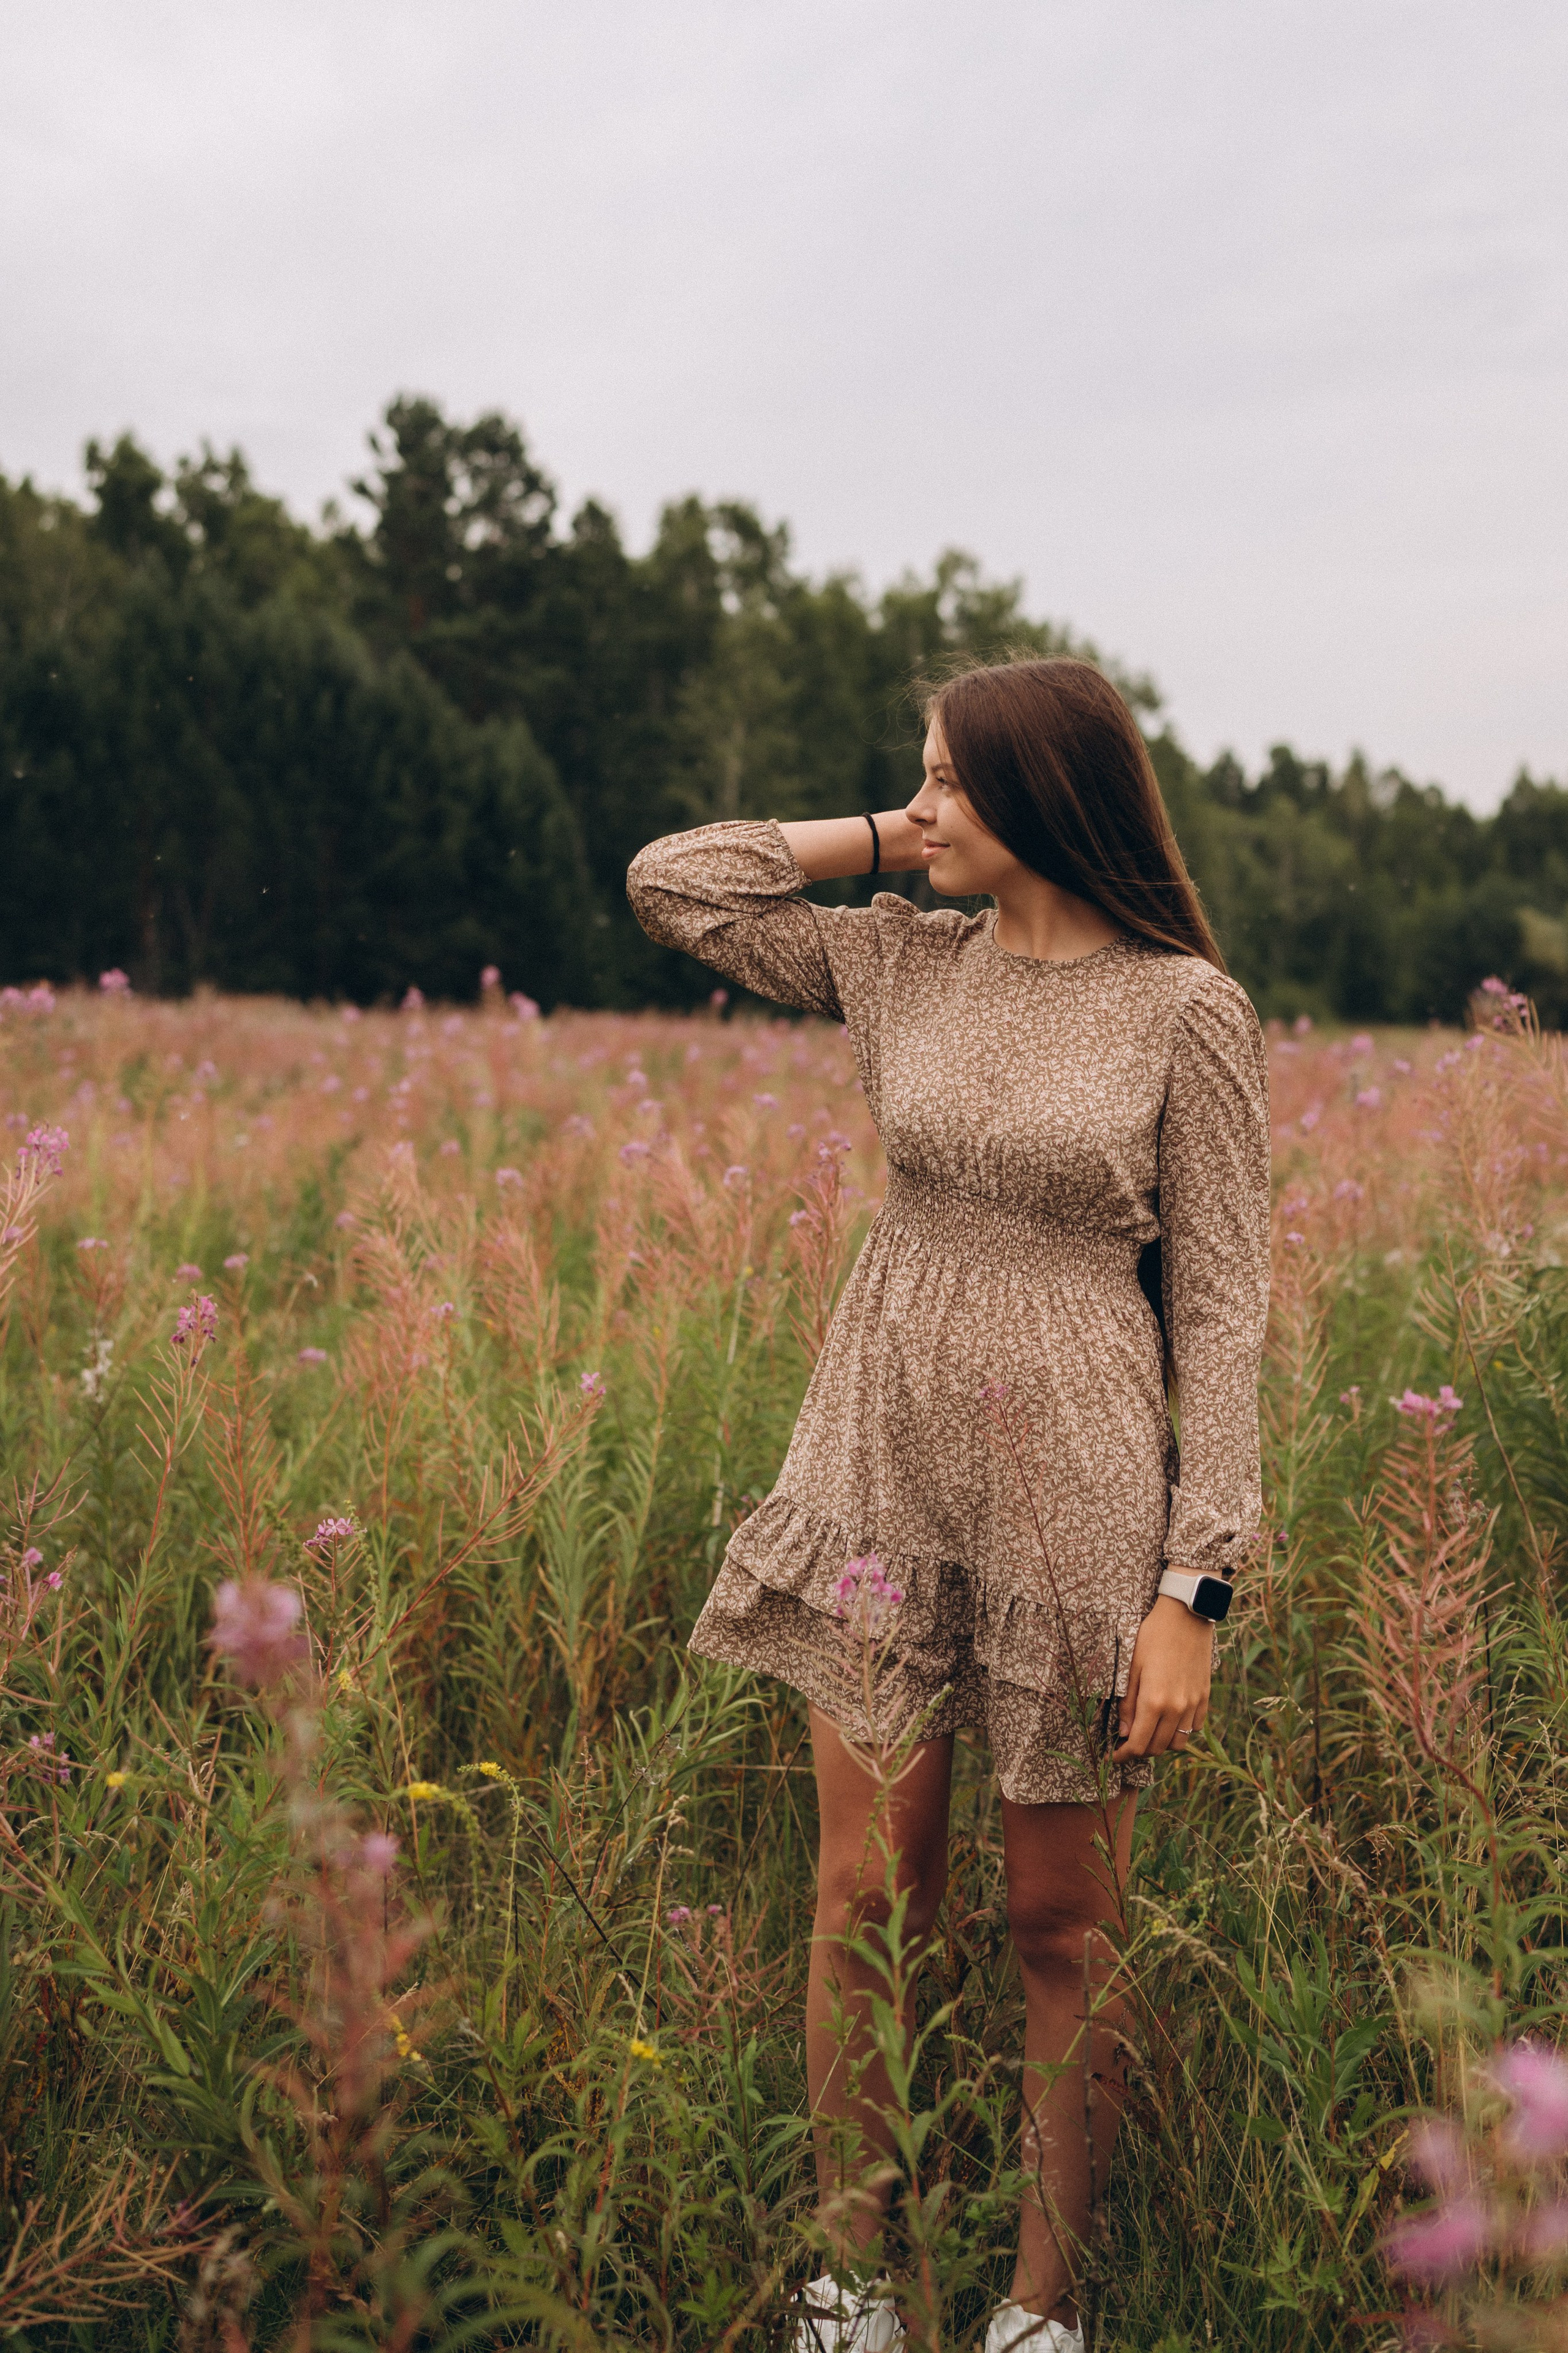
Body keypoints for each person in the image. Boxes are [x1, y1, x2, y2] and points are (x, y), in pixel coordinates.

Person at [625, 657, 1271, 2353]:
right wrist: (878, 838)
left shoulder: (1184, 1008)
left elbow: (1222, 1307)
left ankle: (1036, 2316)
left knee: (1058, 1920)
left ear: (1045, 797)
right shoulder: (897, 960)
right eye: (911, 782)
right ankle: (850, 2297)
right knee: (861, 1899)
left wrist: (1193, 1587)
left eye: (948, 785)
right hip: (879, 1463)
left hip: (1077, 1498)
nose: (919, 811)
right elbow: (672, 882)